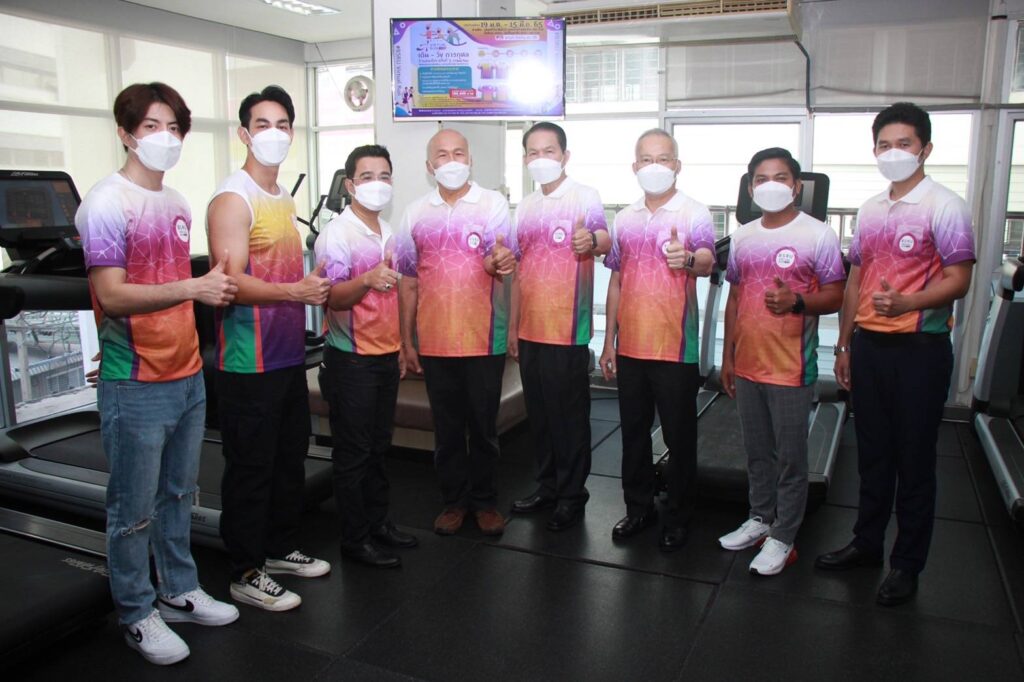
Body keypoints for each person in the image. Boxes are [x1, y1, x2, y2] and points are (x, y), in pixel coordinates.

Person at [77, 82, 239, 665]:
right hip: (136, 380)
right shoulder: (105, 203)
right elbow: (112, 294)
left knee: (178, 494)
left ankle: (178, 589)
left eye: (172, 127)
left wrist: (193, 299)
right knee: (133, 508)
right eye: (151, 126)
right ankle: (136, 612)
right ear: (126, 133)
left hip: (187, 372)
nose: (164, 137)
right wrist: (195, 287)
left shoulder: (175, 203)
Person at [815, 102, 975, 606]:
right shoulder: (869, 210)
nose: (894, 153)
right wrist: (844, 344)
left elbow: (960, 279)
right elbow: (855, 281)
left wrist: (909, 302)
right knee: (873, 455)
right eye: (885, 145)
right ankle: (867, 544)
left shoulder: (945, 206)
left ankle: (907, 564)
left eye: (904, 144)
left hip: (919, 349)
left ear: (925, 149)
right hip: (869, 346)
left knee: (914, 460)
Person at [207, 85, 331, 612]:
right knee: (251, 468)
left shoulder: (281, 197)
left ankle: (278, 549)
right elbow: (230, 281)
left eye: (282, 124)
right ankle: (244, 571)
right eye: (262, 124)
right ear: (244, 134)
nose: (274, 133)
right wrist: (296, 292)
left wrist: (303, 290)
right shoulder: (233, 199)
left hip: (286, 356)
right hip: (247, 361)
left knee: (287, 459)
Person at [718, 147, 845, 575]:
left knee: (791, 458)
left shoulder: (818, 235)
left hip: (791, 366)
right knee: (757, 452)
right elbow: (735, 297)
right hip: (748, 363)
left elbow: (836, 294)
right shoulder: (743, 236)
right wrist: (727, 355)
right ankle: (760, 517)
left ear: (796, 186)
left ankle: (783, 535)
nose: (770, 185)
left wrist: (797, 301)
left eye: (781, 177)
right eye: (761, 178)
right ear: (750, 188)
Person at [395, 128, 516, 536]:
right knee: (446, 430)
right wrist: (406, 341)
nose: (451, 161)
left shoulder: (492, 204)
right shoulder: (414, 213)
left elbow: (499, 258)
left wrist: (498, 262)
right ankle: (453, 502)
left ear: (470, 160)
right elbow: (408, 282)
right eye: (442, 155)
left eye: (458, 153)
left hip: (483, 338)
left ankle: (485, 502)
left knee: (483, 427)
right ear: (430, 166)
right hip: (434, 340)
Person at [599, 128, 715, 551]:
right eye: (646, 159)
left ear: (677, 165)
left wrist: (688, 258)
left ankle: (679, 516)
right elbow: (616, 281)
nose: (655, 166)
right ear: (635, 166)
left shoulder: (694, 213)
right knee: (633, 433)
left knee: (678, 438)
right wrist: (608, 342)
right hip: (630, 346)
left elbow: (706, 262)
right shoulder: (625, 218)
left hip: (674, 347)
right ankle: (639, 508)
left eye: (663, 159)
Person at [314, 144, 418, 568]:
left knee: (378, 448)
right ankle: (355, 539)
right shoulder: (337, 234)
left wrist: (403, 346)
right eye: (368, 177)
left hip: (385, 356)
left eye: (385, 176)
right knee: (353, 453)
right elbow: (334, 298)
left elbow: (400, 294)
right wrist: (367, 280)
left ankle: (378, 523)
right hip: (351, 361)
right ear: (351, 184)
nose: (378, 184)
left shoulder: (390, 232)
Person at [508, 122, 610, 531]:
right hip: (529, 329)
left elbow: (604, 240)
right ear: (525, 159)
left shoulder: (585, 196)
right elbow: (518, 271)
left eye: (549, 151)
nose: (541, 158)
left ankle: (571, 494)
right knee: (540, 416)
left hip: (567, 329)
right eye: (533, 152)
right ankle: (547, 486)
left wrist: (592, 242)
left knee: (568, 417)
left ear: (564, 156)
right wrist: (513, 328)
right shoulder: (525, 206)